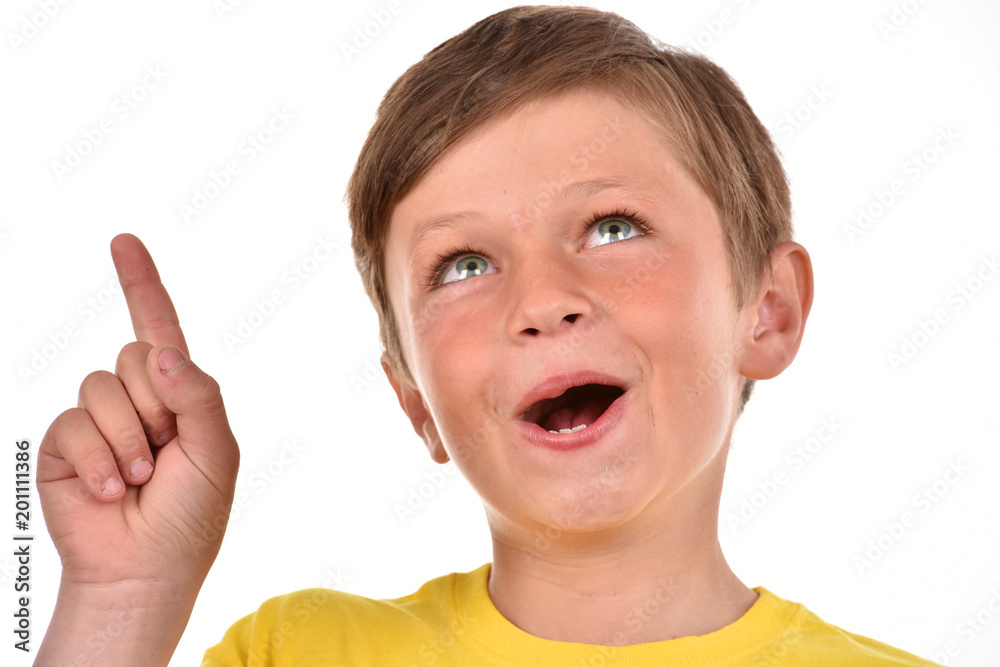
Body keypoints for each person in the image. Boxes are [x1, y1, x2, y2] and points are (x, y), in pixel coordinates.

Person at [35, 6, 940, 665]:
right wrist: (120, 605)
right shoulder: (304, 652)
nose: (543, 300)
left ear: (768, 310)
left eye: (613, 226)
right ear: (415, 400)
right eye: (464, 263)